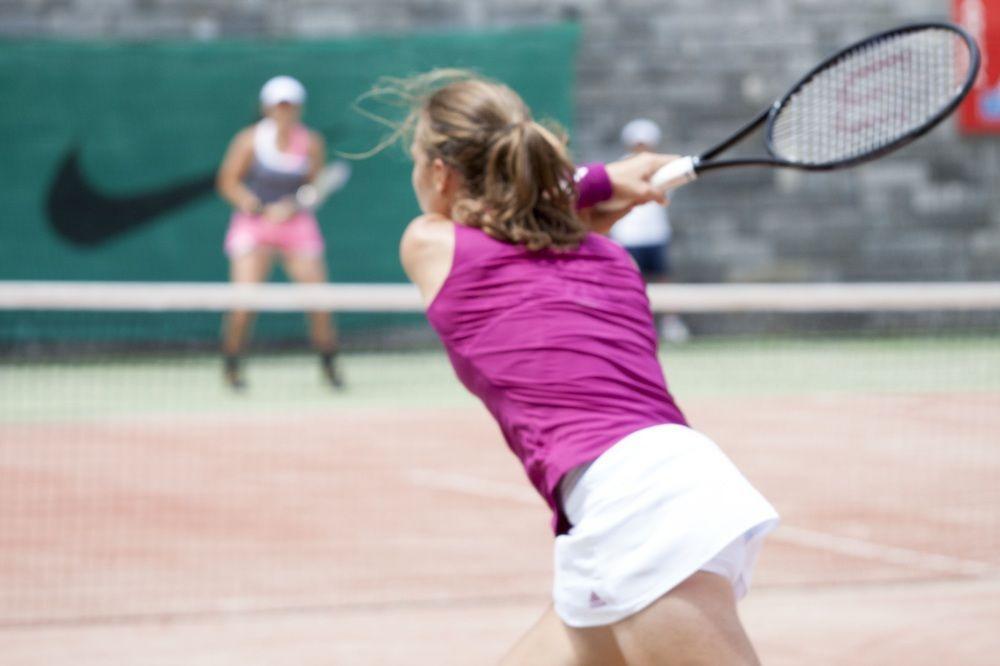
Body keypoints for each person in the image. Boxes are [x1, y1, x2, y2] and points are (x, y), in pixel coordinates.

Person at [373, 69, 778, 665]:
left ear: (440, 173)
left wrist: (606, 178)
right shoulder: (610, 255)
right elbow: (551, 219)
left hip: (637, 505)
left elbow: (546, 211)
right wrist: (602, 182)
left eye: (415, 162)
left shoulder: (431, 242)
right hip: (646, 491)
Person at [216, 75, 342, 390]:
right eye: (279, 105)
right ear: (267, 108)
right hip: (253, 226)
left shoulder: (311, 143)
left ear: (298, 108)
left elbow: (314, 188)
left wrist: (294, 206)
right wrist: (254, 205)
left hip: (297, 225)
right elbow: (228, 182)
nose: (285, 111)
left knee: (319, 300)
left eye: (290, 105)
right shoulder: (248, 141)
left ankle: (329, 366)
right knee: (244, 301)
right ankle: (232, 366)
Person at [611, 118, 690, 343]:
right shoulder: (619, 168)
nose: (641, 148)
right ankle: (627, 324)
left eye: (645, 143)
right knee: (629, 281)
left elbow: (661, 194)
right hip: (628, 237)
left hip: (655, 235)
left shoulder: (663, 169)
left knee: (664, 279)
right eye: (637, 144)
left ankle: (671, 324)